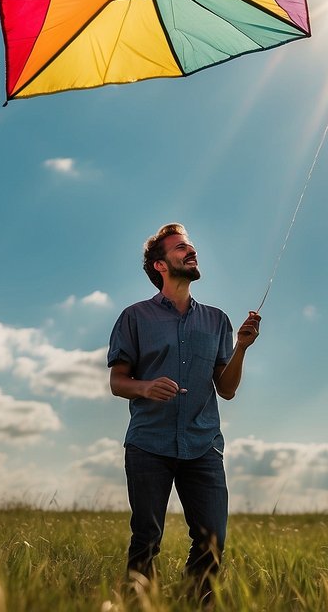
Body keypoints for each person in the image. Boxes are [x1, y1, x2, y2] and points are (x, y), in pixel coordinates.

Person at [107, 223, 261, 603]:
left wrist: (241, 347)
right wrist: (145, 387)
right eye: (180, 248)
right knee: (146, 538)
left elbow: (226, 389)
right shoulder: (135, 317)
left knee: (212, 540)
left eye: (191, 247)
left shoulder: (217, 320)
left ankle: (195, 605)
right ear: (160, 265)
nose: (190, 252)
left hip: (203, 444)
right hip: (148, 444)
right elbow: (117, 381)